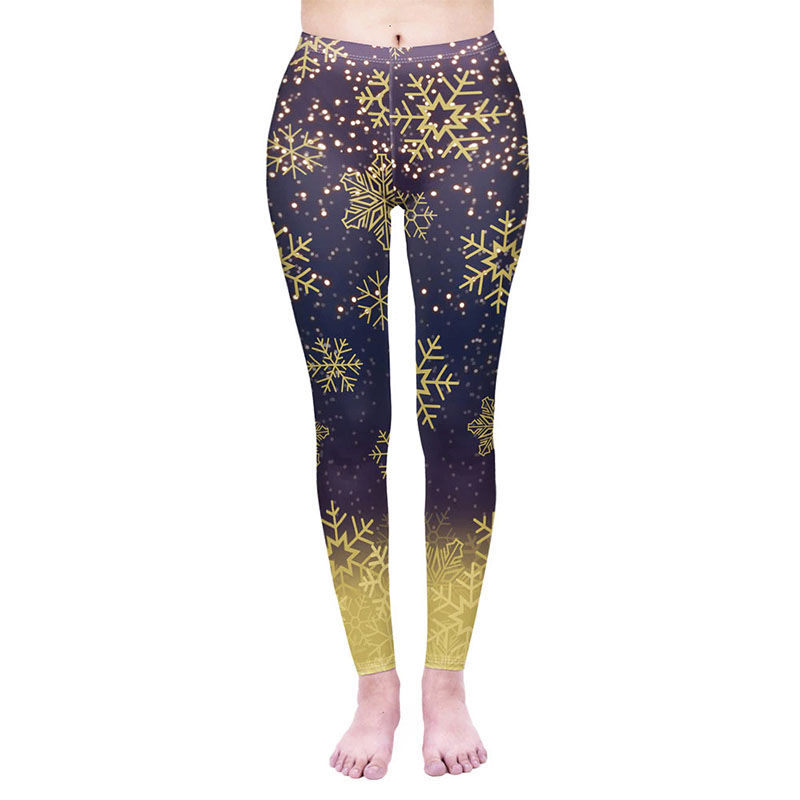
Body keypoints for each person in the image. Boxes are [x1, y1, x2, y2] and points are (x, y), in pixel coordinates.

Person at [266, 0, 529, 779]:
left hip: (471, 103)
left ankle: (445, 683)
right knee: (346, 422)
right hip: (324, 101)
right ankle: (375, 688)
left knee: (461, 418)